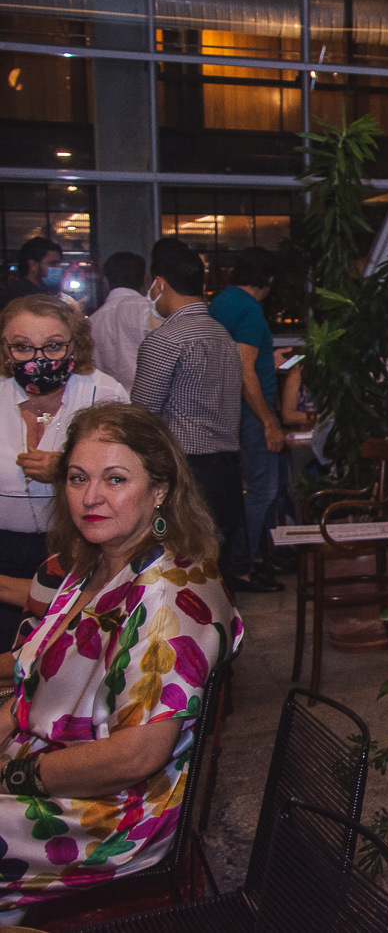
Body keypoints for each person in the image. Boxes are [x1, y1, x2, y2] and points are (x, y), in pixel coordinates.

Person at [0, 402, 243, 917]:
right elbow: (32, 682)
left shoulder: (169, 597)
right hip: (59, 768)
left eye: (115, 479)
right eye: (78, 478)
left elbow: (135, 757)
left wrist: (12, 775)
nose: (91, 497)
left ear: (160, 489)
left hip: (112, 814)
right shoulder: (97, 564)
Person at [130, 247, 267, 593]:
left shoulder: (166, 340)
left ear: (159, 284)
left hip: (184, 471)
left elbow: (141, 417)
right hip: (227, 469)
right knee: (216, 575)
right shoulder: (224, 337)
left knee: (179, 576)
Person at [0, 296, 128, 647]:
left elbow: (130, 474)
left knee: (67, 656)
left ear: (75, 345)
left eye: (53, 346)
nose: (38, 359)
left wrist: (69, 471)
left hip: (82, 549)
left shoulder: (105, 393)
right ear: (5, 350)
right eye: (23, 347)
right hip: (4, 551)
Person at [208, 247, 286, 585]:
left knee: (256, 487)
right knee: (263, 489)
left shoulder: (219, 303)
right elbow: (245, 370)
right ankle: (243, 564)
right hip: (252, 411)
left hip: (225, 408)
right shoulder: (250, 309)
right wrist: (269, 421)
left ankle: (259, 555)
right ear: (268, 279)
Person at [88, 252, 154, 392]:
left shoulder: (92, 321)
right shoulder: (151, 311)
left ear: (105, 281)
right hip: (150, 398)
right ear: (145, 279)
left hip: (108, 400)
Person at [0, 238, 63, 310]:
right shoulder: (20, 298)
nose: (58, 268)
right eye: (53, 263)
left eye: (59, 263)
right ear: (33, 265)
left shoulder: (46, 292)